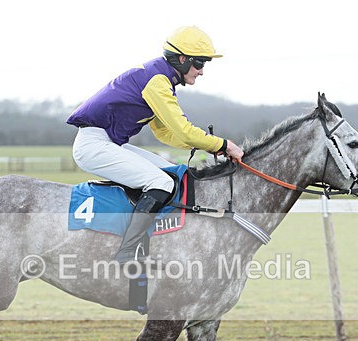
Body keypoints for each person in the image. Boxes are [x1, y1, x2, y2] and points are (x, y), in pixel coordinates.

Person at [66, 25, 245, 263]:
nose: (202, 71)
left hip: (107, 143)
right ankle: (128, 251)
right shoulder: (158, 82)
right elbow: (184, 131)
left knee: (169, 173)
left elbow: (166, 134)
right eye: (200, 63)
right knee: (161, 182)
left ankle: (160, 239)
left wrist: (208, 145)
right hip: (94, 145)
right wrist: (223, 145)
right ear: (182, 59)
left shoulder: (161, 78)